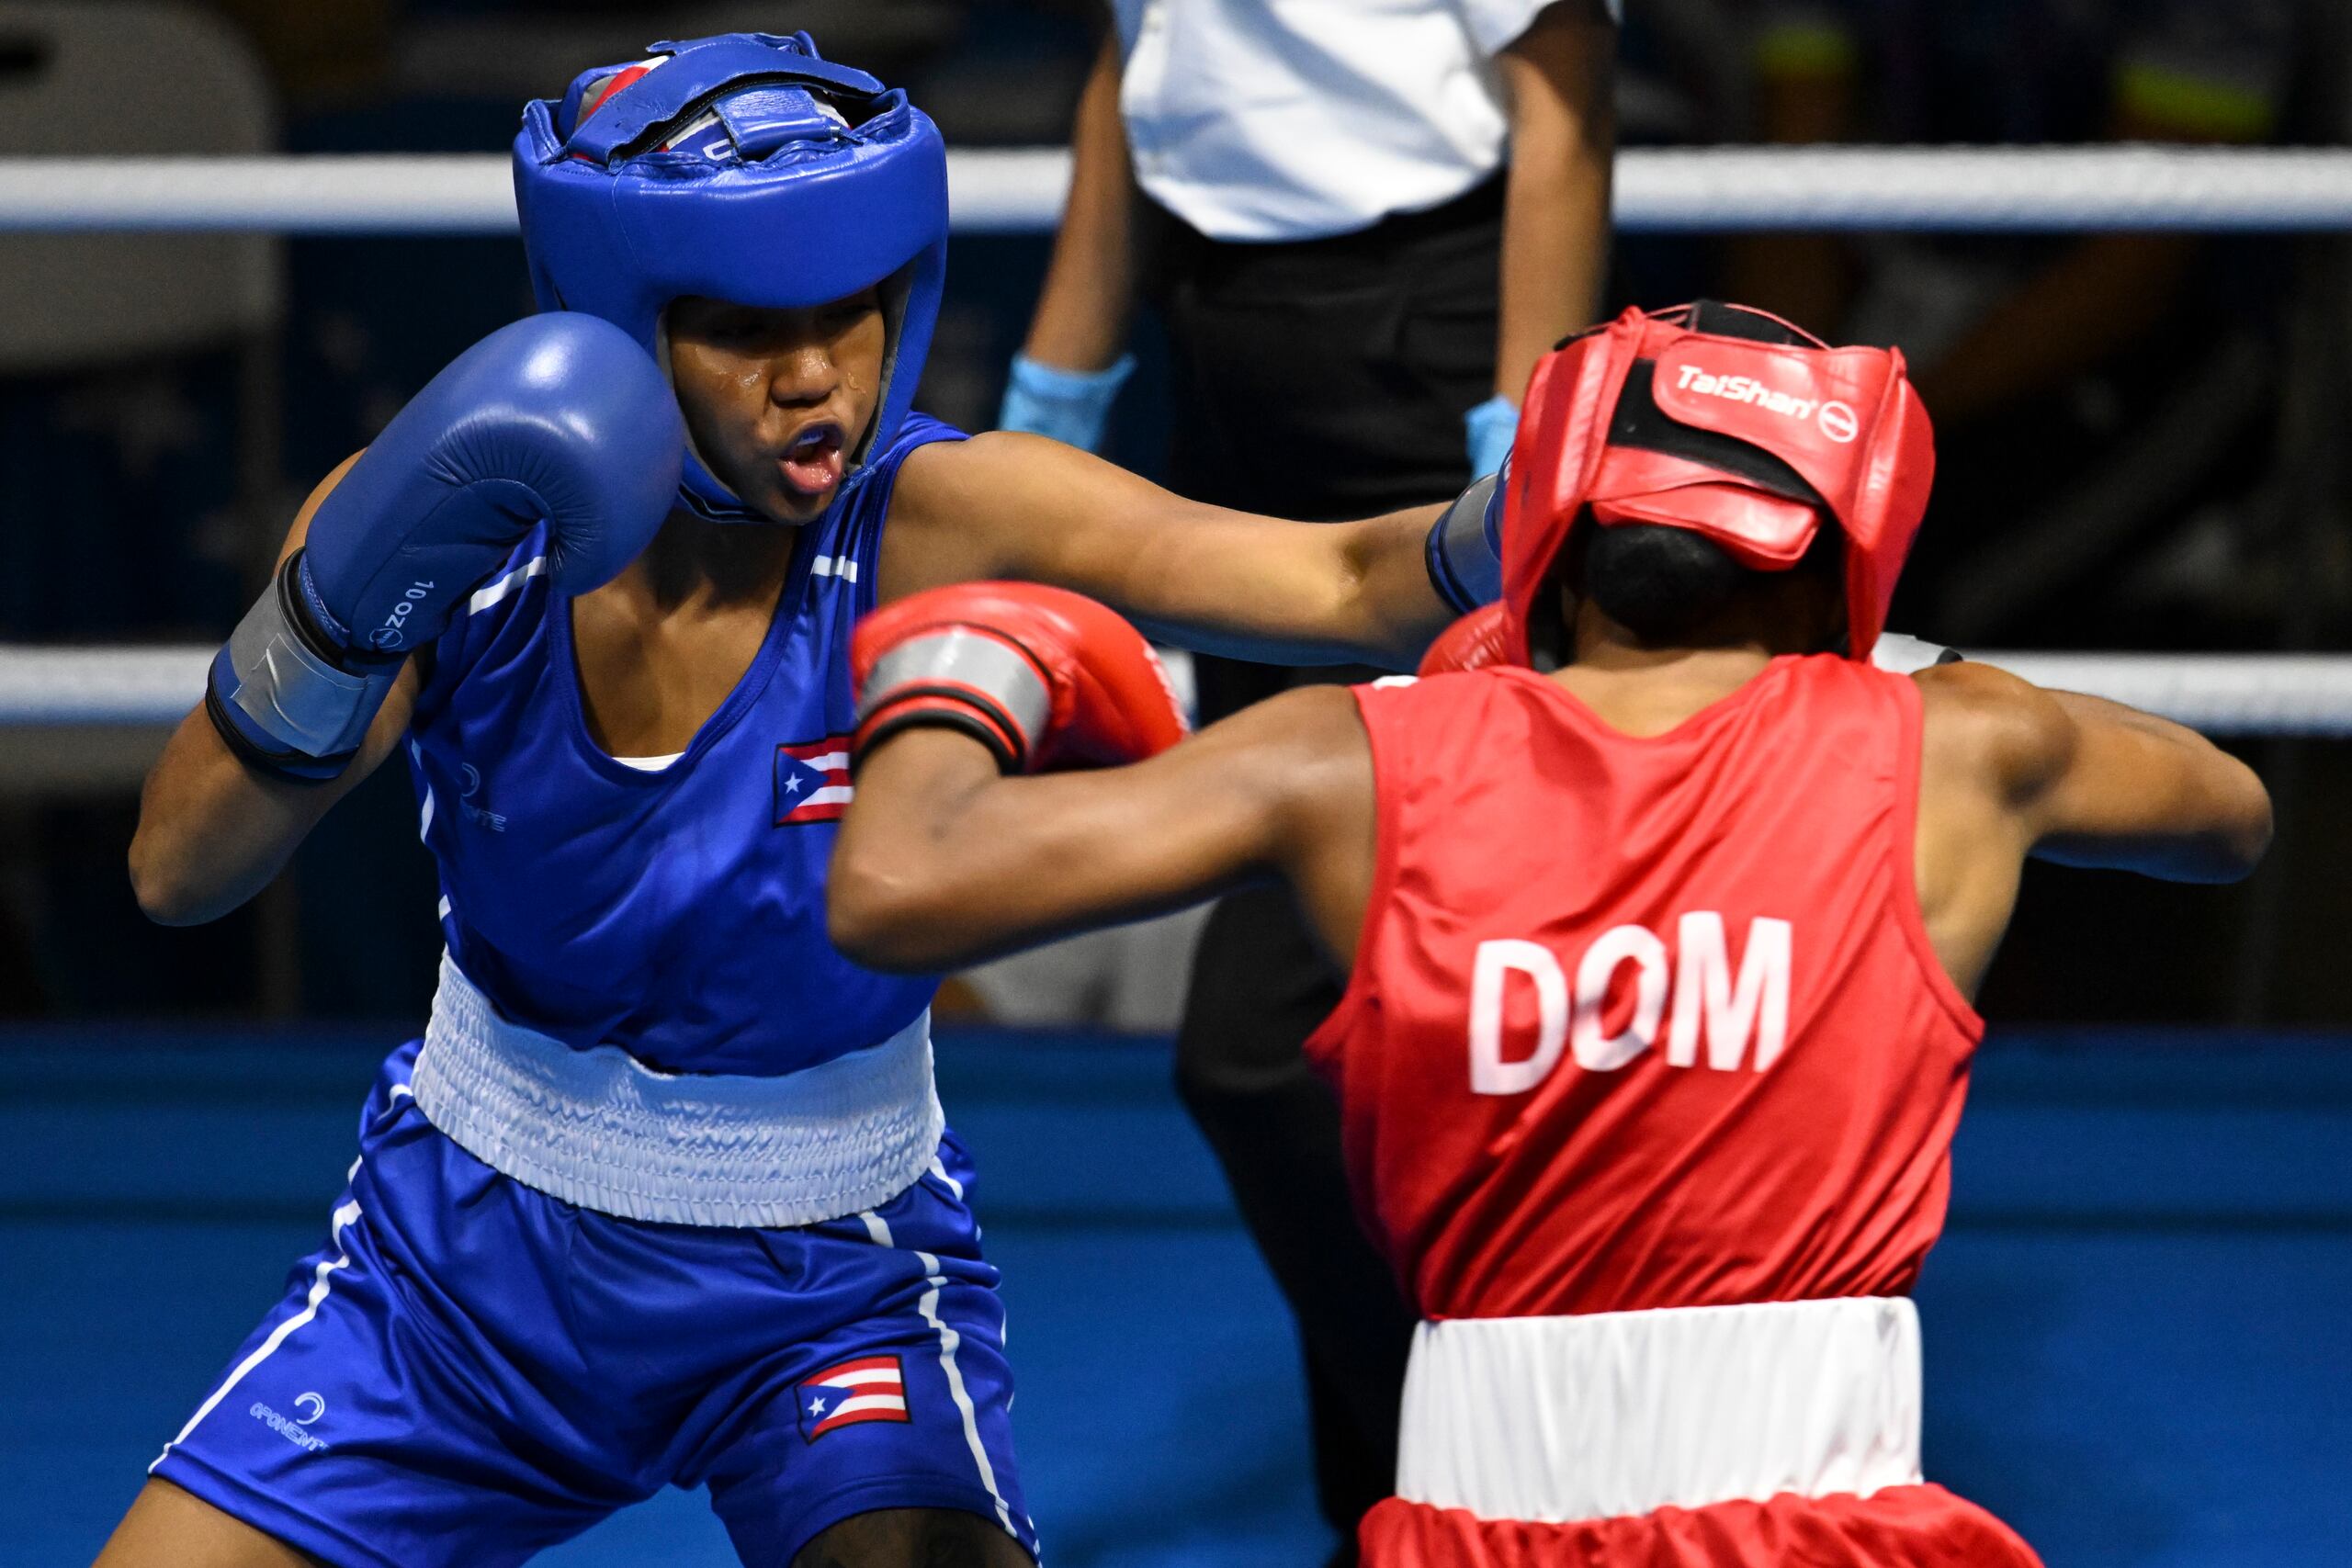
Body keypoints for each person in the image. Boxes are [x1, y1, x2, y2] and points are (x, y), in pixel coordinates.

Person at [98, 32, 1510, 1568]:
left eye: (852, 308)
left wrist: (1557, 486)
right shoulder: (455, 528)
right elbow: (179, 872)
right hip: (454, 1277)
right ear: (615, 322)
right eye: (744, 330)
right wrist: (341, 611)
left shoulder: (937, 519)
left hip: (827, 1282)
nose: (816, 375)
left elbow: (1345, 578)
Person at [826, 300, 2273, 1566]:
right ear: (1851, 541)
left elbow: (901, 886)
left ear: (1551, 537)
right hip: (1831, 1520)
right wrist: (1912, 676)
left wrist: (974, 668)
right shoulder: (1962, 752)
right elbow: (2232, 815)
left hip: (1466, 1517)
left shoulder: (1350, 762)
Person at [1003, 5, 1618, 1540]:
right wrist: (1049, 410)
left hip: (1424, 380)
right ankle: (1407, 1510)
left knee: (1270, 1037)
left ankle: (1505, 1478)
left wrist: (1519, 445)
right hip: (1226, 377)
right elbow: (1128, 77)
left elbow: (1564, 108)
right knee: (1358, 1033)